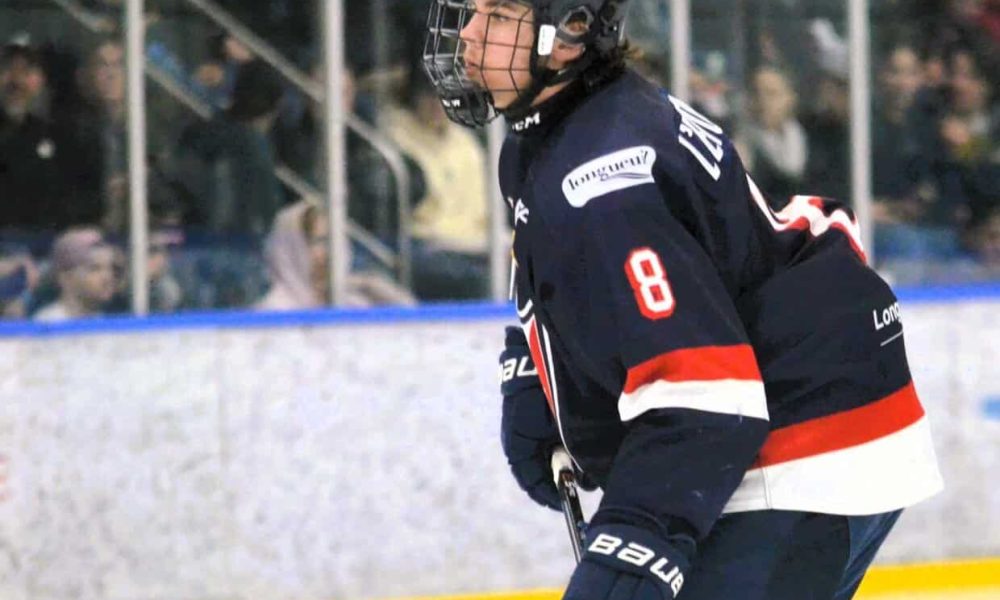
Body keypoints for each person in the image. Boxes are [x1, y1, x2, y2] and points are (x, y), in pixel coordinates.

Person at [422, 2, 944, 599]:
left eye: (497, 16)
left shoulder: (604, 183)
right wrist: (535, 376)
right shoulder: (557, 132)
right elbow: (560, 269)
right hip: (803, 398)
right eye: (472, 10)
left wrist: (638, 540)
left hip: (803, 440)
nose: (466, 33)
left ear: (567, 37)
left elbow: (708, 398)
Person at [255, 201, 416, 310]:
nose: (330, 251)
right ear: (289, 249)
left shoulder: (354, 302)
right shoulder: (272, 312)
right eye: (319, 241)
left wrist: (374, 288)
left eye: (334, 240)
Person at [33, 227, 116, 321]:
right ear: (66, 278)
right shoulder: (45, 324)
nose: (108, 277)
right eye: (94, 268)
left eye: (111, 268)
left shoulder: (110, 326)